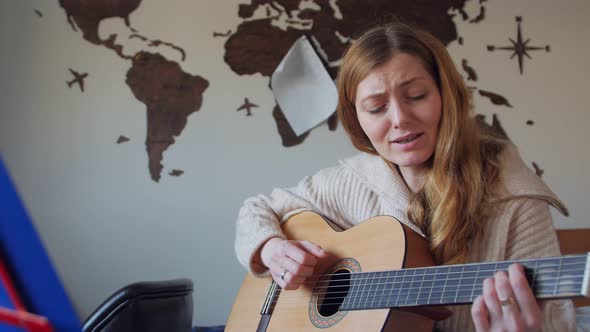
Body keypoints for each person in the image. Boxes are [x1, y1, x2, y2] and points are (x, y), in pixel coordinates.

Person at [234, 21, 576, 331]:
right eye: (376, 107)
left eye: (416, 96)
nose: (399, 118)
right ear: (357, 119)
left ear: (446, 95)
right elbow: (256, 209)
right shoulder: (351, 180)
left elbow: (557, 324)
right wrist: (271, 249)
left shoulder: (516, 196)